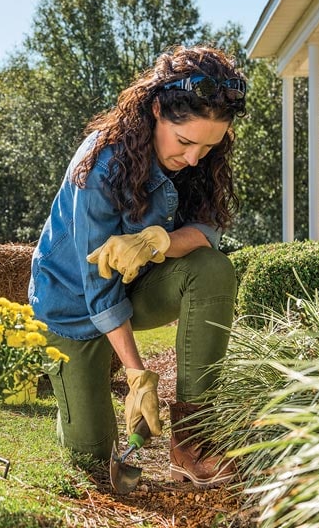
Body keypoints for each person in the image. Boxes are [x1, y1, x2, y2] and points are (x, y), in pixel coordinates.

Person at [28, 45, 245, 488]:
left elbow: (208, 232)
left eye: (208, 145)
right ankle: (75, 397)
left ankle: (193, 440)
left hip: (139, 289)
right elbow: (98, 288)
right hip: (73, 310)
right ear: (157, 109)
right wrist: (136, 374)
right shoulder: (101, 167)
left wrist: (157, 241)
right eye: (185, 142)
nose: (193, 159)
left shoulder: (199, 159)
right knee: (93, 461)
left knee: (212, 268)